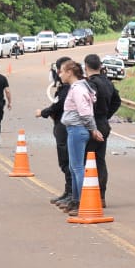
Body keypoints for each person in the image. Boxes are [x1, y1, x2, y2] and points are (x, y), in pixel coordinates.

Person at [58, 59, 104, 216]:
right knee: (74, 167)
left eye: (62, 71)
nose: (60, 74)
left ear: (70, 72)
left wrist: (93, 129)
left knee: (77, 168)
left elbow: (84, 112)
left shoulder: (77, 89)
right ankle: (76, 200)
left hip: (77, 129)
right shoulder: (81, 86)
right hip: (76, 129)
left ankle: (82, 201)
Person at [38, 56, 75, 207]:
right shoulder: (66, 88)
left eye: (59, 71)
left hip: (65, 127)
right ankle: (69, 192)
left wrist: (43, 112)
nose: (57, 75)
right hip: (63, 125)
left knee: (67, 161)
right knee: (66, 161)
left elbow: (57, 106)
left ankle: (72, 194)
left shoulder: (68, 89)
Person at [84, 54, 120, 203]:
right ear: (100, 66)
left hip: (93, 124)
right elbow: (117, 101)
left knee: (87, 160)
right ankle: (101, 195)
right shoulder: (108, 82)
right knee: (99, 160)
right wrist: (106, 115)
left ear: (86, 67)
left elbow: (87, 104)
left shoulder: (90, 84)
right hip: (103, 123)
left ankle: (89, 195)